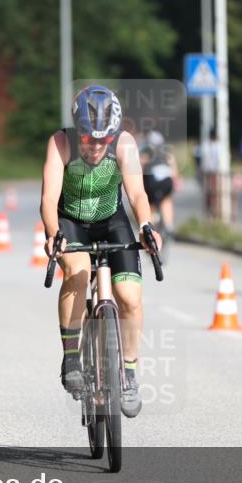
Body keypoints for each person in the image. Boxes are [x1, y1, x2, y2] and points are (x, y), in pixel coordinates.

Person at [40, 85, 162, 418]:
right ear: (77, 130)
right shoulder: (60, 143)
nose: (95, 146)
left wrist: (147, 226)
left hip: (112, 220)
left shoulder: (124, 144)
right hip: (71, 222)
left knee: (130, 297)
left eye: (102, 140)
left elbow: (137, 194)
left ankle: (129, 374)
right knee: (78, 273)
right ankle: (72, 358)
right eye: (88, 138)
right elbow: (49, 199)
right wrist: (54, 234)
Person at [140, 130, 180, 238]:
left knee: (151, 203)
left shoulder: (146, 152)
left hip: (151, 181)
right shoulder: (167, 152)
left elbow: (140, 168)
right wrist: (176, 182)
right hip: (166, 180)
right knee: (166, 199)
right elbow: (173, 168)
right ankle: (169, 225)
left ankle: (151, 228)